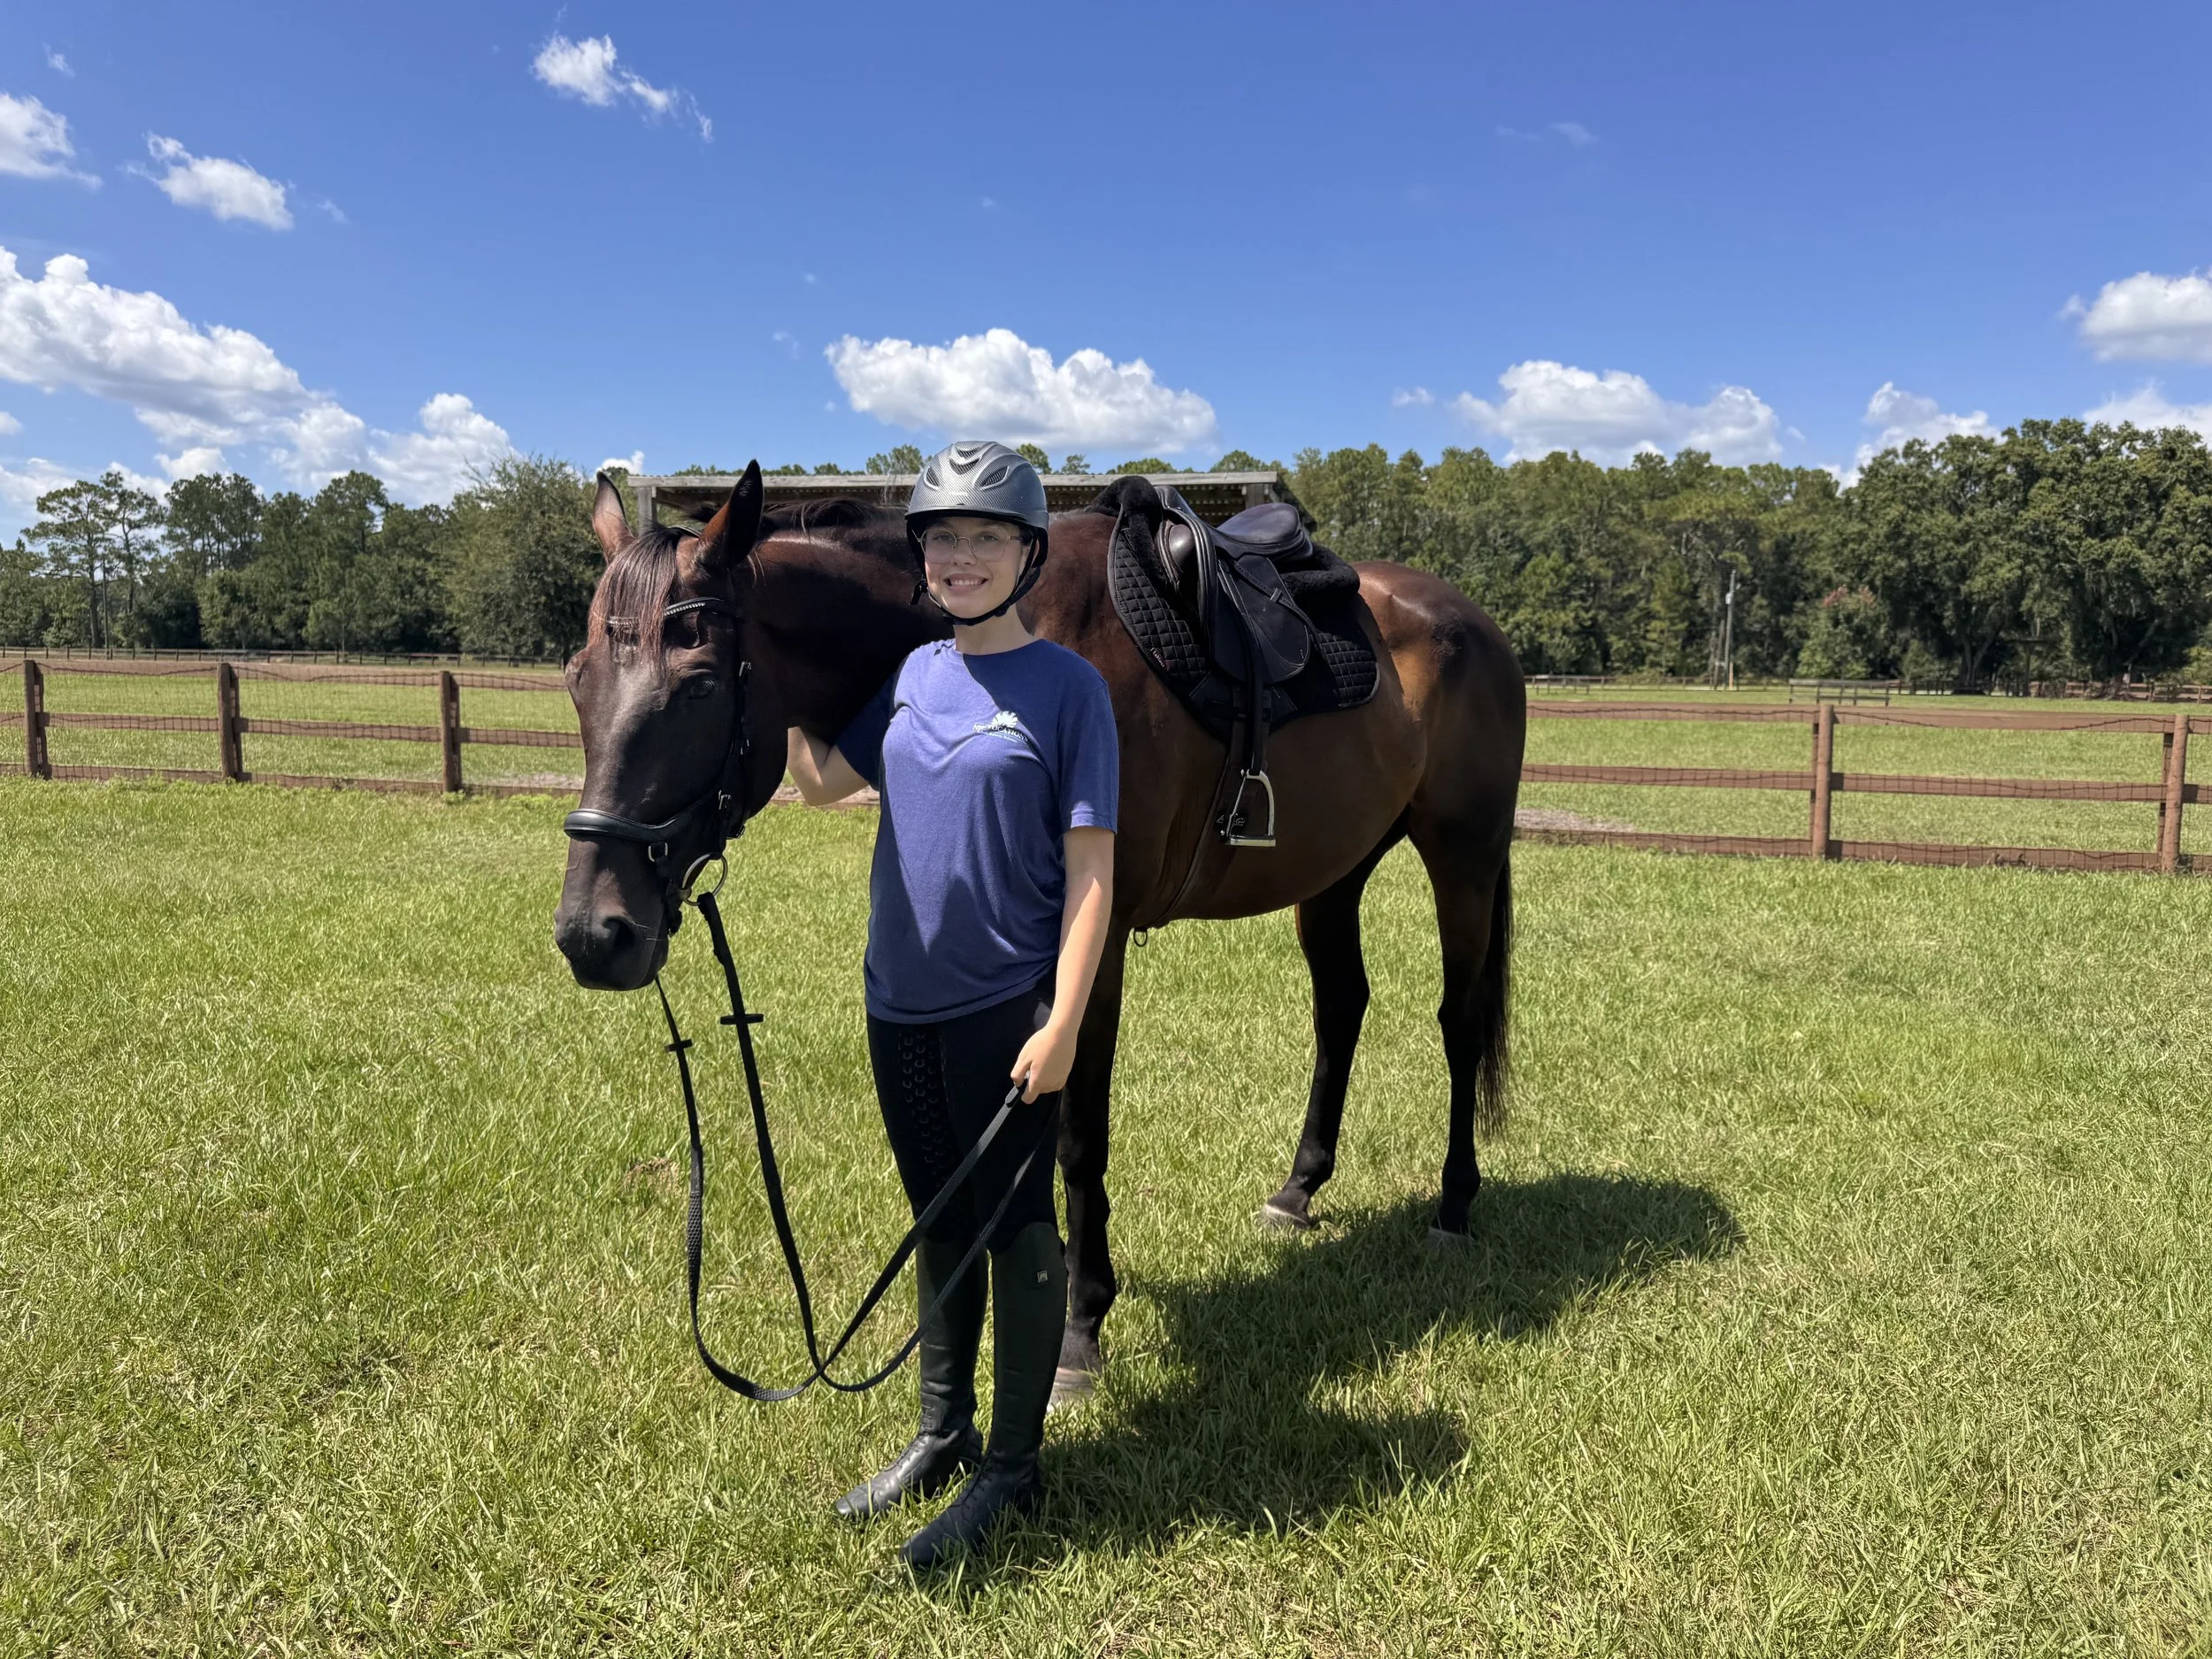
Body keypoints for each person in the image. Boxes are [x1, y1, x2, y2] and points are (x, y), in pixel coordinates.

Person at [785, 440, 1118, 1570]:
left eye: (985, 537)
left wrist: (1064, 1018)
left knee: (1017, 1228)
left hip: (1002, 1009)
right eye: (943, 538)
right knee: (937, 1215)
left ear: (1027, 554)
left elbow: (1092, 874)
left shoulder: (1071, 691)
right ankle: (939, 1433)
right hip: (896, 1001)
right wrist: (781, 679)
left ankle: (1012, 1470)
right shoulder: (915, 674)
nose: (960, 557)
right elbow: (824, 785)